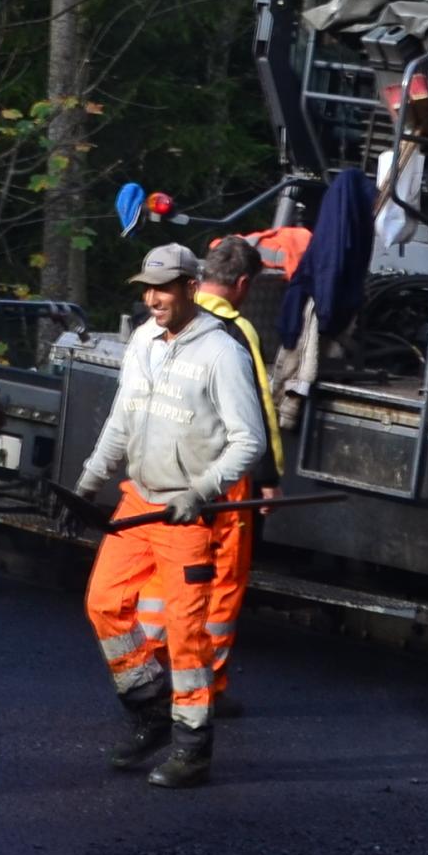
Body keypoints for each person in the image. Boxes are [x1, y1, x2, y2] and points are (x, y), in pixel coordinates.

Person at [78, 242, 268, 790]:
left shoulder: (222, 353)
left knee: (186, 632)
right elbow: (122, 418)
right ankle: (150, 707)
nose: (154, 299)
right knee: (104, 603)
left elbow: (249, 442)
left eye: (164, 288)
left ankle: (192, 748)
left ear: (190, 287)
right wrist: (89, 481)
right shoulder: (142, 339)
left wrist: (201, 491)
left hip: (186, 513)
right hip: (138, 499)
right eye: (148, 289)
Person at [190, 236, 286, 710]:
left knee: (172, 578)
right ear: (244, 284)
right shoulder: (235, 330)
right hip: (224, 477)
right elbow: (257, 411)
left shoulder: (169, 317)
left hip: (171, 468)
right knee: (222, 580)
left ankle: (159, 674)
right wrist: (268, 476)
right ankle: (205, 687)